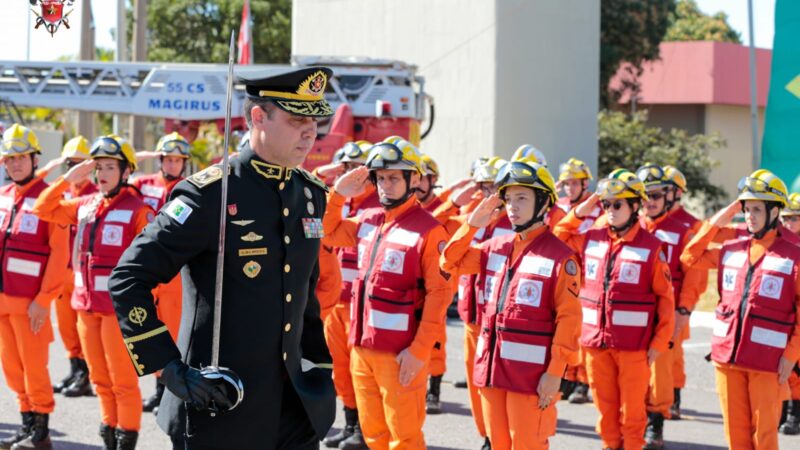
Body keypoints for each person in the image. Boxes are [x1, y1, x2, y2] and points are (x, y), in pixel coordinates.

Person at [106, 67, 337, 450]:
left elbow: (303, 291)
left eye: (315, 122)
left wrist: (319, 369)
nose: (310, 132)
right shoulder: (210, 194)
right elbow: (128, 278)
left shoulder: (311, 194)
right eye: (297, 120)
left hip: (295, 410)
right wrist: (169, 368)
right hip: (219, 404)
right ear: (258, 117)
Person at [441, 160, 581, 449]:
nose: (512, 207)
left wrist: (555, 372)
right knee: (497, 444)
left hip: (531, 377)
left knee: (527, 445)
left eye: (522, 198)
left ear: (543, 202)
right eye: (508, 199)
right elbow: (449, 262)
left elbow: (569, 320)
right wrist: (471, 225)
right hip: (492, 371)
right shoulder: (496, 247)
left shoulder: (561, 257)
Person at [322, 137, 452, 449]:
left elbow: (439, 295)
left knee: (404, 438)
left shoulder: (429, 230)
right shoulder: (369, 220)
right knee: (373, 436)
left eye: (393, 178)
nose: (385, 186)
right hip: (362, 348)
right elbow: (327, 231)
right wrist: (337, 194)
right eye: (380, 178)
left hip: (400, 354)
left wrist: (419, 351)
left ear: (414, 179)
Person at [33, 134, 152, 450]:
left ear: (126, 171)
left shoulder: (139, 210)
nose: (102, 173)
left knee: (122, 381)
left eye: (110, 167)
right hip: (85, 307)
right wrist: (68, 178)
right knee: (99, 379)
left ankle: (126, 438)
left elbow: (152, 263)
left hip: (117, 311)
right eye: (98, 167)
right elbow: (43, 209)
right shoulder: (86, 205)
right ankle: (108, 434)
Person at [554, 169, 675, 450]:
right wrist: (587, 205)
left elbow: (666, 300)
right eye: (606, 204)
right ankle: (609, 445)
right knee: (604, 407)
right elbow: (560, 233)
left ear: (635, 206)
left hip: (634, 346)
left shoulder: (651, 247)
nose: (610, 209)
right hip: (595, 343)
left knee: (632, 411)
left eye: (617, 204)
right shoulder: (592, 238)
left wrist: (659, 342)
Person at [681, 169, 800, 450]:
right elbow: (690, 256)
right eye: (746, 209)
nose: (749, 216)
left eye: (756, 209)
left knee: (764, 436)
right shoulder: (731, 248)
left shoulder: (794, 256)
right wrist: (724, 214)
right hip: (727, 359)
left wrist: (791, 355)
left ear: (775, 212)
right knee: (735, 436)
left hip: (768, 361)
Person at [0, 124, 69, 450]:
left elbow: (60, 254)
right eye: (10, 159)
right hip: (2, 302)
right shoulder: (3, 196)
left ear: (34, 159)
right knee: (12, 369)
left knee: (34, 368)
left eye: (21, 157)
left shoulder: (49, 198)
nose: (15, 164)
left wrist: (44, 299)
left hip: (31, 305)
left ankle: (41, 434)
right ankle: (27, 425)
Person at [635, 163, 702, 449]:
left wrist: (683, 310)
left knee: (662, 368)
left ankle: (656, 421)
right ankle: (635, 422)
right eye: (645, 196)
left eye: (656, 195)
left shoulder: (686, 228)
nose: (650, 202)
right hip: (635, 311)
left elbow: (694, 275)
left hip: (667, 310)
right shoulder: (632, 224)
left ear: (670, 195)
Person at [130, 132, 192, 415]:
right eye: (167, 159)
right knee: (150, 330)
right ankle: (159, 388)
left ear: (184, 163)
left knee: (173, 332)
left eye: (177, 160)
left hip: (174, 273)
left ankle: (171, 391)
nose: (172, 164)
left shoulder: (190, 187)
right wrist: (141, 156)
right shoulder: (143, 184)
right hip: (147, 268)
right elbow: (120, 178)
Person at [321, 141, 378, 450]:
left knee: (362, 371)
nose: (353, 175)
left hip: (362, 304)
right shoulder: (337, 200)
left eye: (358, 169)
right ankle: (351, 424)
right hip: (336, 301)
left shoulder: (378, 205)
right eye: (347, 169)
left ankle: (368, 430)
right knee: (340, 369)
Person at [51, 136, 96, 398]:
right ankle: (74, 369)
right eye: (71, 164)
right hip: (61, 270)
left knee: (82, 326)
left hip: (82, 272)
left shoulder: (96, 194)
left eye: (80, 164)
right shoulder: (62, 193)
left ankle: (86, 375)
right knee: (66, 325)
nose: (75, 169)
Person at [660, 164, 705, 420]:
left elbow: (696, 272)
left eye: (664, 189)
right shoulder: (647, 220)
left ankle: (673, 397)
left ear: (677, 192)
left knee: (673, 353)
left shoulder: (691, 224)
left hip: (676, 301)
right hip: (652, 302)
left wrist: (684, 307)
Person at [554, 157, 598, 404]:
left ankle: (582, 381)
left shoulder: (598, 208)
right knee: (565, 330)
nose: (570, 188)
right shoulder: (557, 206)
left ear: (585, 184)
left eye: (574, 183)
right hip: (563, 275)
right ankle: (567, 377)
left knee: (583, 333)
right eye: (566, 183)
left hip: (587, 277)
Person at [779, 192, 800, 435]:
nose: (788, 223)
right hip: (784, 313)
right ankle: (782, 411)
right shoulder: (779, 244)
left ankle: (795, 414)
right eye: (785, 218)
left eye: (793, 218)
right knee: (783, 366)